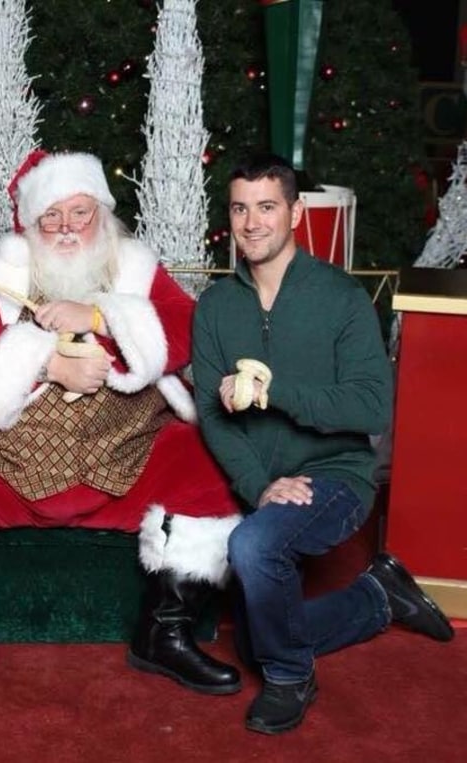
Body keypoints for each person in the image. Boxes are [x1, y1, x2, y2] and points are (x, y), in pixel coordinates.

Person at [0, 150, 244, 698]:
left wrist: (101, 318)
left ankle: (165, 633)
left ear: (101, 214)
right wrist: (46, 361)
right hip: (7, 466)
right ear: (30, 223)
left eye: (79, 214)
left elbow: (188, 326)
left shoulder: (134, 265)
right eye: (51, 218)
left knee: (216, 458)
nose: (66, 229)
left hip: (126, 461)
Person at [192, 153, 454, 736]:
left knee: (254, 553)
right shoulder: (215, 307)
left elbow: (371, 408)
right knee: (258, 629)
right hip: (268, 478)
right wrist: (259, 486)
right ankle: (378, 597)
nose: (252, 222)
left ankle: (290, 677)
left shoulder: (339, 297)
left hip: (336, 475)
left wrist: (274, 391)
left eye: (267, 207)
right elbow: (212, 413)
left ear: (294, 211)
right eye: (240, 208)